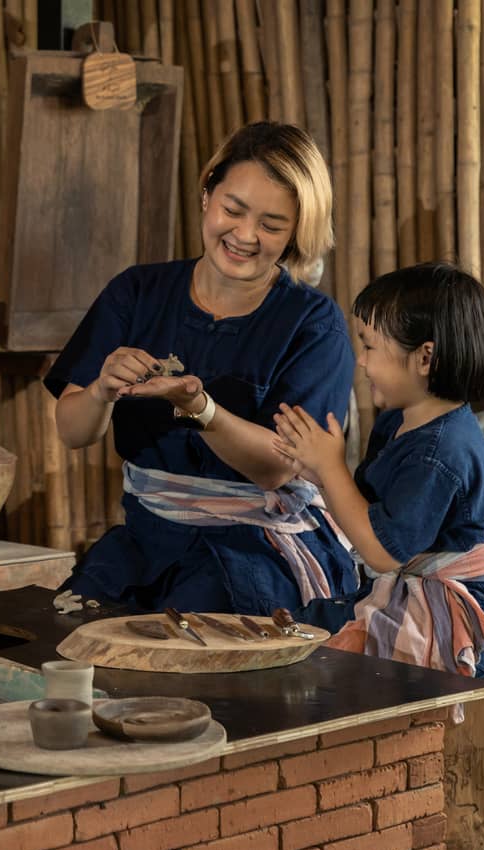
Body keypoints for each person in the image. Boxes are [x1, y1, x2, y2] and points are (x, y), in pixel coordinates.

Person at [45, 121, 359, 626]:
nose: (245, 236)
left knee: (190, 655)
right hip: (145, 539)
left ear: (298, 232)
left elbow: (279, 469)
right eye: (233, 210)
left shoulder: (313, 324)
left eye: (272, 225)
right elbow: (73, 430)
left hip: (254, 549)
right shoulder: (137, 292)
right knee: (73, 634)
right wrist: (102, 390)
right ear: (208, 191)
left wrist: (202, 410)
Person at [272, 262, 484, 677]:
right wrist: (316, 470)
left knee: (320, 662)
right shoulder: (400, 420)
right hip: (411, 587)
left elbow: (382, 552)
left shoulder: (439, 450)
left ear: (424, 357)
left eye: (370, 346)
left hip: (459, 610)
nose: (360, 362)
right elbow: (367, 509)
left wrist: (331, 464)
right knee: (296, 626)